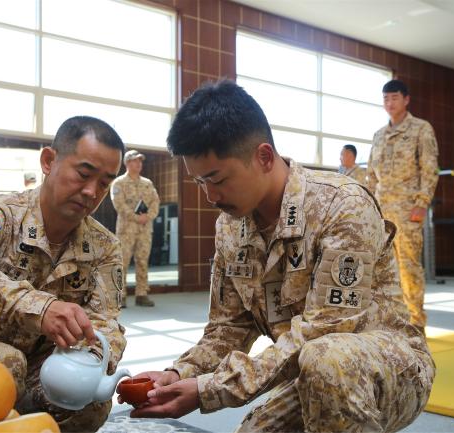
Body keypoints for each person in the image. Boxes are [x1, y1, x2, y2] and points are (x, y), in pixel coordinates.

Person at [125, 80, 434, 432]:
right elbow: (228, 328)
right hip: (308, 368)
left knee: (326, 360)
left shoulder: (342, 205)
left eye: (217, 179)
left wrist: (209, 390)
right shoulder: (231, 227)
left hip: (389, 367)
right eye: (199, 183)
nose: (210, 196)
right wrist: (178, 373)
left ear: (264, 157)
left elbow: (322, 331)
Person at [0, 116, 127, 430]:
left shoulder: (104, 246)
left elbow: (105, 319)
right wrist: (39, 308)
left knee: (90, 403)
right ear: (49, 161)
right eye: (83, 174)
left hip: (38, 364)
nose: (92, 192)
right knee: (3, 363)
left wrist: (94, 359)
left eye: (105, 183)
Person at [366, 80, 439, 333]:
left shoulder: (421, 129)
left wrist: (422, 204)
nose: (389, 103)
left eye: (394, 98)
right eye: (385, 98)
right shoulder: (378, 135)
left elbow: (429, 169)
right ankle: (392, 322)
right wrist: (369, 206)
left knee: (408, 268)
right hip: (382, 214)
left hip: (408, 211)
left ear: (406, 100)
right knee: (382, 271)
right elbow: (371, 176)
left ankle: (416, 322)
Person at [110, 150, 160, 308]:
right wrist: (136, 217)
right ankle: (121, 296)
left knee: (142, 261)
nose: (138, 164)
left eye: (140, 161)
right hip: (126, 229)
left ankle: (141, 294)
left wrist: (148, 216)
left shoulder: (147, 183)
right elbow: (119, 204)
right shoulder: (119, 183)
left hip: (145, 230)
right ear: (127, 163)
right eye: (135, 161)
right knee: (122, 262)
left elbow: (155, 202)